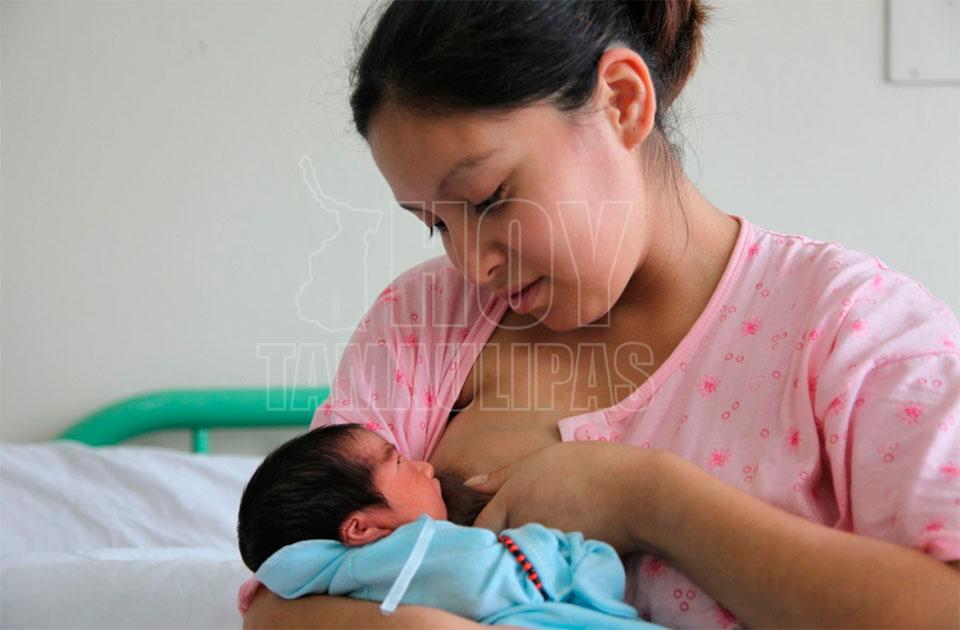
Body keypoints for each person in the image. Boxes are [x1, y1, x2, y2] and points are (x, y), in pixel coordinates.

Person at [243, 1, 960, 627]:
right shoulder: (422, 321)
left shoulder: (852, 328)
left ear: (621, 102)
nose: (470, 264)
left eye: (489, 198)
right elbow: (280, 598)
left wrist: (647, 499)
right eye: (436, 225)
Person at [236, 423, 664, 629]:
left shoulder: (348, 585)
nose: (425, 466)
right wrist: (571, 552)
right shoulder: (406, 555)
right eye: (398, 463)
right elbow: (491, 577)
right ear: (362, 529)